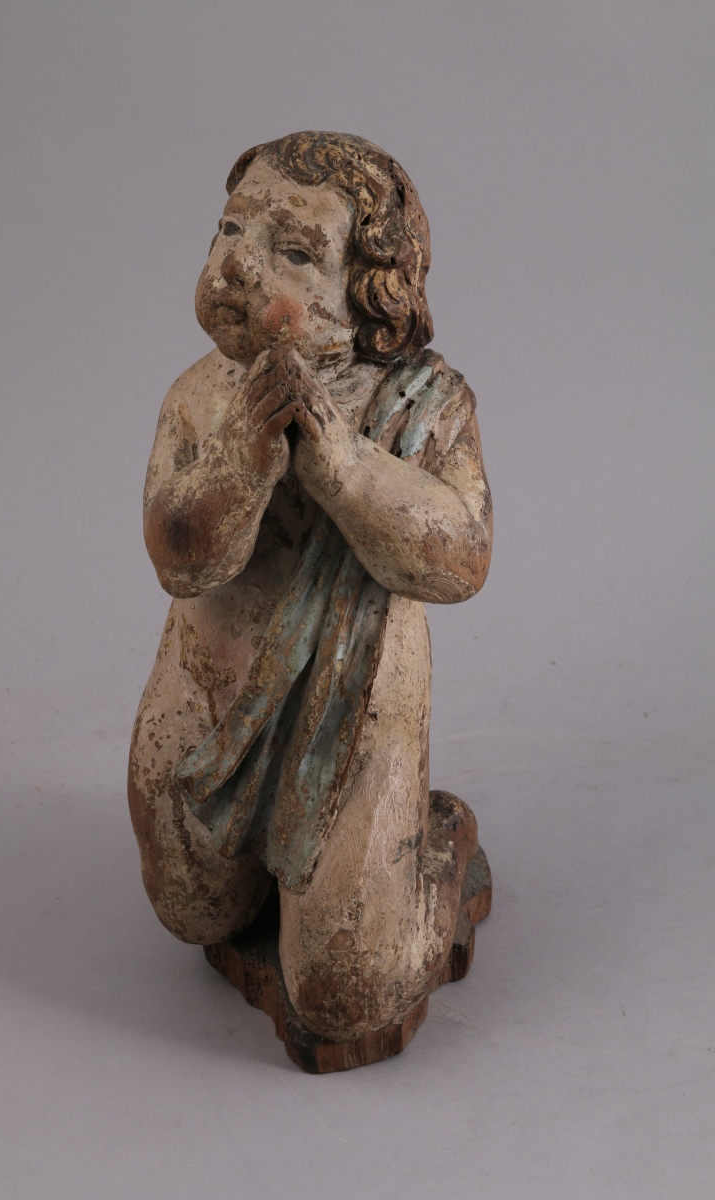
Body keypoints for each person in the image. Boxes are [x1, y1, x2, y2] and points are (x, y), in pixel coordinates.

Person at [128, 131, 492, 1041]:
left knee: (347, 992)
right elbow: (180, 558)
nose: (238, 265)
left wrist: (342, 467)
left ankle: (436, 853)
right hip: (206, 700)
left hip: (352, 716)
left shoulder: (424, 405)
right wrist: (240, 463)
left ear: (372, 298)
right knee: (187, 910)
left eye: (291, 252)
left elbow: (461, 556)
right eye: (230, 229)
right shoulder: (201, 396)